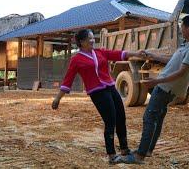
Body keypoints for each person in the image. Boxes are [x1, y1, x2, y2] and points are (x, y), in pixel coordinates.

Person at [51, 29, 145, 164]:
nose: (92, 40)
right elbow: (68, 80)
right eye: (89, 38)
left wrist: (136, 53)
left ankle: (124, 149)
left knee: (121, 116)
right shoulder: (76, 59)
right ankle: (112, 155)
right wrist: (57, 98)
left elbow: (118, 54)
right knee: (110, 120)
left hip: (111, 87)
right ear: (81, 42)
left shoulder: (99, 52)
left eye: (92, 38)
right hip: (97, 92)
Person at [124, 14, 189, 164]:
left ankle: (140, 155)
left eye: (182, 26)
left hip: (166, 88)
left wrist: (156, 81)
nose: (181, 29)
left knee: (149, 118)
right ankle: (148, 150)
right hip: (165, 87)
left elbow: (180, 73)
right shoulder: (186, 46)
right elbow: (172, 61)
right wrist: (153, 55)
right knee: (157, 119)